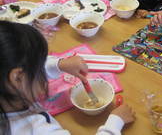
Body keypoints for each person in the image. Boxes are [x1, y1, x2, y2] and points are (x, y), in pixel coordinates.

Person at [0, 21, 135, 135]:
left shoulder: (7, 90)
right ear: (17, 78)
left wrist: (60, 65)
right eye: (40, 67)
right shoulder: (36, 130)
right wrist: (115, 123)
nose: (43, 72)